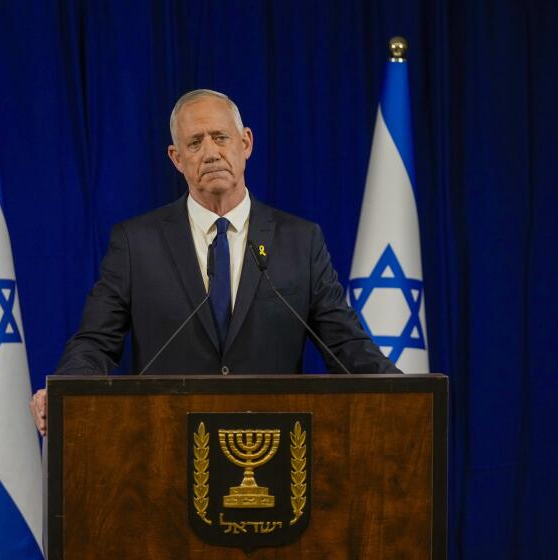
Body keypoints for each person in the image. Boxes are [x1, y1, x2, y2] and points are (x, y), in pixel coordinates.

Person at [30, 89, 399, 434]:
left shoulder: (299, 241)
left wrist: (409, 394)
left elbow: (346, 345)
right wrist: (65, 391)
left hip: (273, 448)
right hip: (165, 447)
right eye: (194, 142)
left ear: (246, 143)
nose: (210, 153)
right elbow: (95, 341)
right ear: (176, 158)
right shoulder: (136, 243)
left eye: (220, 137)